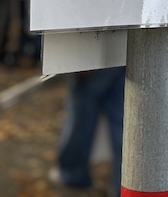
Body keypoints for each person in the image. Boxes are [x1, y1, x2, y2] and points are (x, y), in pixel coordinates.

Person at [49, 66, 126, 195]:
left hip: (92, 64)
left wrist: (79, 63)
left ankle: (73, 173)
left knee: (81, 116)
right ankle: (123, 186)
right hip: (123, 60)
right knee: (122, 124)